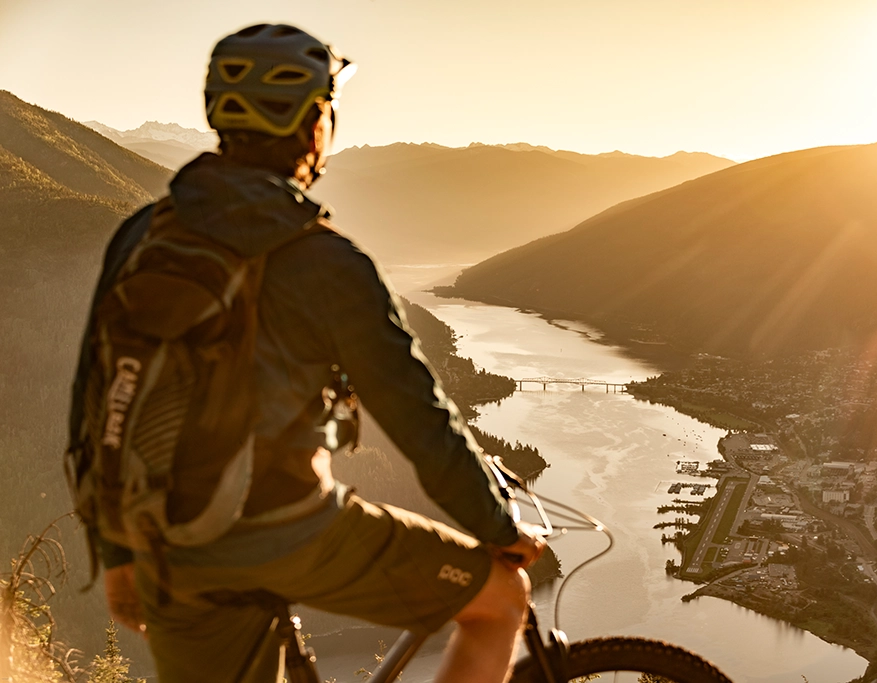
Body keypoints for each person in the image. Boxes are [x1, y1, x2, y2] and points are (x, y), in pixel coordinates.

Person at [68, 23, 545, 683]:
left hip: (168, 544)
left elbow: (94, 400)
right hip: (290, 532)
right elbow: (417, 415)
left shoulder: (142, 236)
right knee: (501, 601)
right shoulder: (324, 260)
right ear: (312, 123)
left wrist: (117, 550)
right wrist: (496, 526)